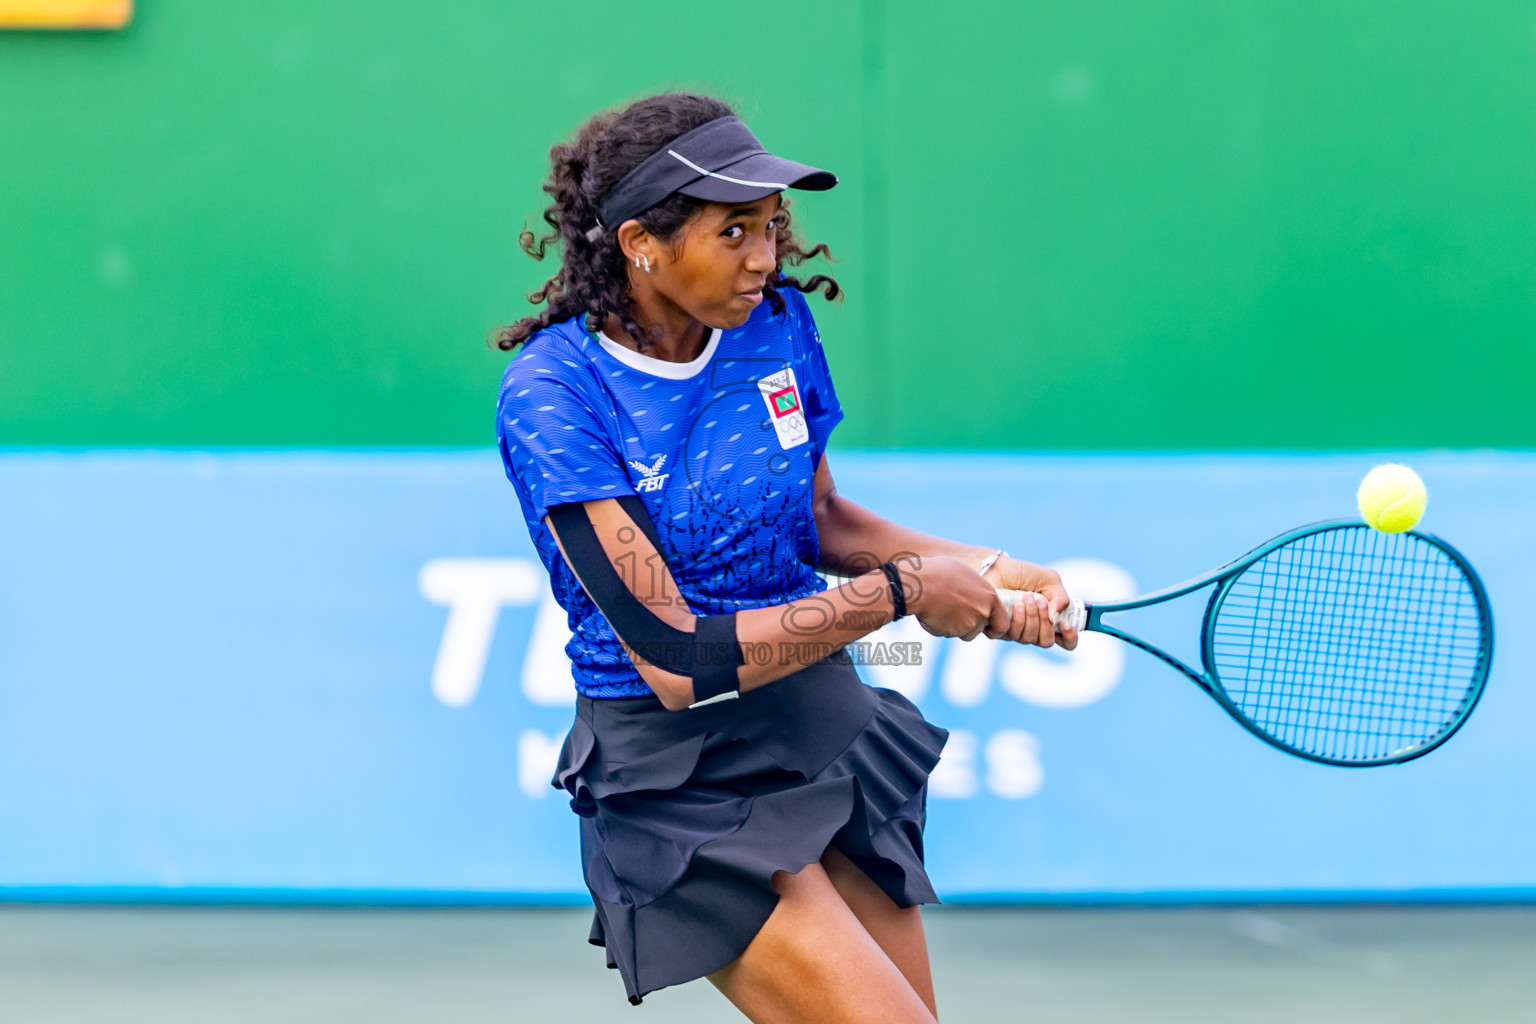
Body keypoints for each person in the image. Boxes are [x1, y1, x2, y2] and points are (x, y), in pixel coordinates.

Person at [494, 92, 1077, 1023]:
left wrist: (993, 567)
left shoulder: (772, 328)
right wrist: (908, 593)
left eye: (772, 226)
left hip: (813, 721)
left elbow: (822, 521)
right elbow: (676, 658)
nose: (766, 258)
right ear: (643, 242)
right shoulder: (556, 395)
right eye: (734, 232)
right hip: (676, 768)